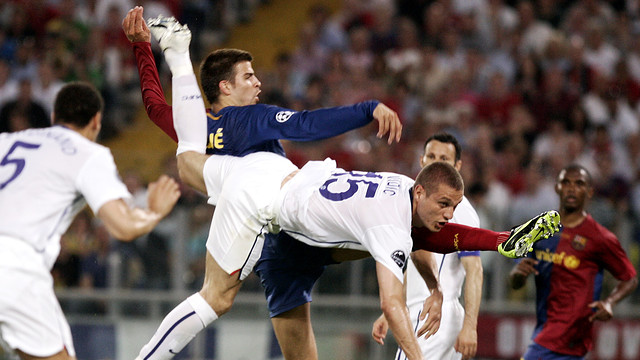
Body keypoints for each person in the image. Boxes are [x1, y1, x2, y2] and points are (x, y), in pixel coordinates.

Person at [130, 13, 561, 360]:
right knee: (215, 295)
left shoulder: (207, 126)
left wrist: (139, 51)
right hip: (272, 206)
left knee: (189, 159)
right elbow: (306, 124)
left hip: (283, 227)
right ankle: (180, 54)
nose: (258, 82)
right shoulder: (253, 119)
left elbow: (155, 107)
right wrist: (366, 108)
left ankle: (177, 55)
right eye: (248, 76)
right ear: (225, 87)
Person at [0, 82, 181, 360]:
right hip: (14, 264)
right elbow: (123, 227)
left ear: (53, 117)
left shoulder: (7, 141)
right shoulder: (87, 153)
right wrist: (155, 211)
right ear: (96, 122)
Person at [372, 132, 483, 360]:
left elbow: (475, 270)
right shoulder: (415, 203)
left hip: (434, 317)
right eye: (431, 156)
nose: (435, 163)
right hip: (420, 313)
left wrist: (470, 326)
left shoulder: (460, 212)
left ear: (457, 166)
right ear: (422, 160)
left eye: (443, 159)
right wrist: (391, 312)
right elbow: (413, 264)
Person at [509, 164, 638, 360]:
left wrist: (610, 302)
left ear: (589, 192)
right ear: (556, 188)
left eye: (579, 184)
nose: (571, 188)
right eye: (566, 183)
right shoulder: (540, 229)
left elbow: (630, 278)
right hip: (545, 332)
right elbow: (516, 282)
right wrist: (517, 275)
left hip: (571, 338)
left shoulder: (600, 237)